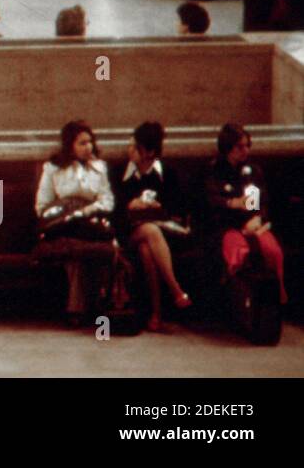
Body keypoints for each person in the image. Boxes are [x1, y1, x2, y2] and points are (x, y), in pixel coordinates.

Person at [115, 121, 193, 333]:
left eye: (134, 147)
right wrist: (130, 205)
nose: (129, 150)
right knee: (149, 231)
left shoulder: (168, 174)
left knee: (147, 249)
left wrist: (160, 207)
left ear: (149, 152)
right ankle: (176, 290)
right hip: (130, 232)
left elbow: (180, 208)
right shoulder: (122, 174)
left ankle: (155, 315)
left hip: (164, 236)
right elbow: (114, 211)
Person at [35, 120, 116, 323]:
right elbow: (42, 204)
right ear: (70, 146)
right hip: (64, 224)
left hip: (90, 223)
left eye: (90, 142)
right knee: (76, 250)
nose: (88, 147)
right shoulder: (54, 168)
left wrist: (87, 210)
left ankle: (86, 307)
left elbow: (107, 200)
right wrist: (64, 212)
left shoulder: (99, 167)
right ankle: (82, 307)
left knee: (93, 245)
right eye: (82, 143)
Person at [205, 123, 286, 305]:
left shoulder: (252, 172)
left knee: (273, 251)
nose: (245, 151)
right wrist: (232, 204)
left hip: (253, 225)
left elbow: (260, 201)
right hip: (226, 227)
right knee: (241, 254)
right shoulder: (213, 171)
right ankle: (241, 301)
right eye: (240, 147)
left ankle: (275, 300)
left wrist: (258, 218)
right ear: (227, 147)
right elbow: (211, 202)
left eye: (248, 146)